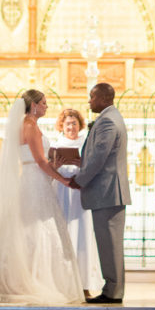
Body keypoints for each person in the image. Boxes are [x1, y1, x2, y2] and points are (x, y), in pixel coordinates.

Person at [0, 89, 84, 305]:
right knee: (37, 231)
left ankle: (29, 276)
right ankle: (33, 279)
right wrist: (64, 180)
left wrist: (55, 165)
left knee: (35, 231)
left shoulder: (27, 124)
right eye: (43, 103)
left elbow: (39, 161)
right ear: (33, 106)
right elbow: (40, 163)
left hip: (35, 179)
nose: (46, 106)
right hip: (34, 181)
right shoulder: (30, 125)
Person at [69, 82, 131, 304]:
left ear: (104, 98)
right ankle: (113, 288)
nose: (89, 101)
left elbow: (100, 157)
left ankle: (113, 291)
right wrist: (80, 160)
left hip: (107, 192)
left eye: (92, 97)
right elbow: (98, 154)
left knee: (110, 243)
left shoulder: (107, 120)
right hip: (108, 192)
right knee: (109, 243)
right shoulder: (112, 117)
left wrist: (80, 179)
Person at [49, 108, 103, 297]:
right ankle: (63, 284)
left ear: (80, 125)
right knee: (64, 236)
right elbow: (49, 172)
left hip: (80, 194)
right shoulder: (56, 144)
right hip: (62, 193)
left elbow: (96, 167)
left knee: (83, 237)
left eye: (74, 123)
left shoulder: (87, 143)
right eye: (67, 123)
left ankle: (85, 284)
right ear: (61, 126)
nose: (71, 127)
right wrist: (54, 166)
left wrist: (83, 165)